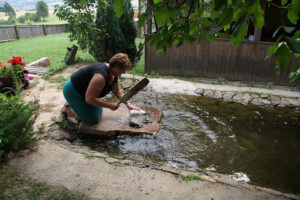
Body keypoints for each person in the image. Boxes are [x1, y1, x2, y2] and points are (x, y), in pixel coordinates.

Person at [63, 53, 140, 125]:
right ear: (116, 67)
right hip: (73, 91)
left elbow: (117, 91)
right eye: (123, 69)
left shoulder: (113, 73)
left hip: (85, 93)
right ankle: (69, 109)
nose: (124, 72)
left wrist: (128, 104)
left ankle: (76, 105)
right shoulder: (100, 76)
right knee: (92, 120)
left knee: (100, 110)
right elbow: (89, 99)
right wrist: (109, 105)